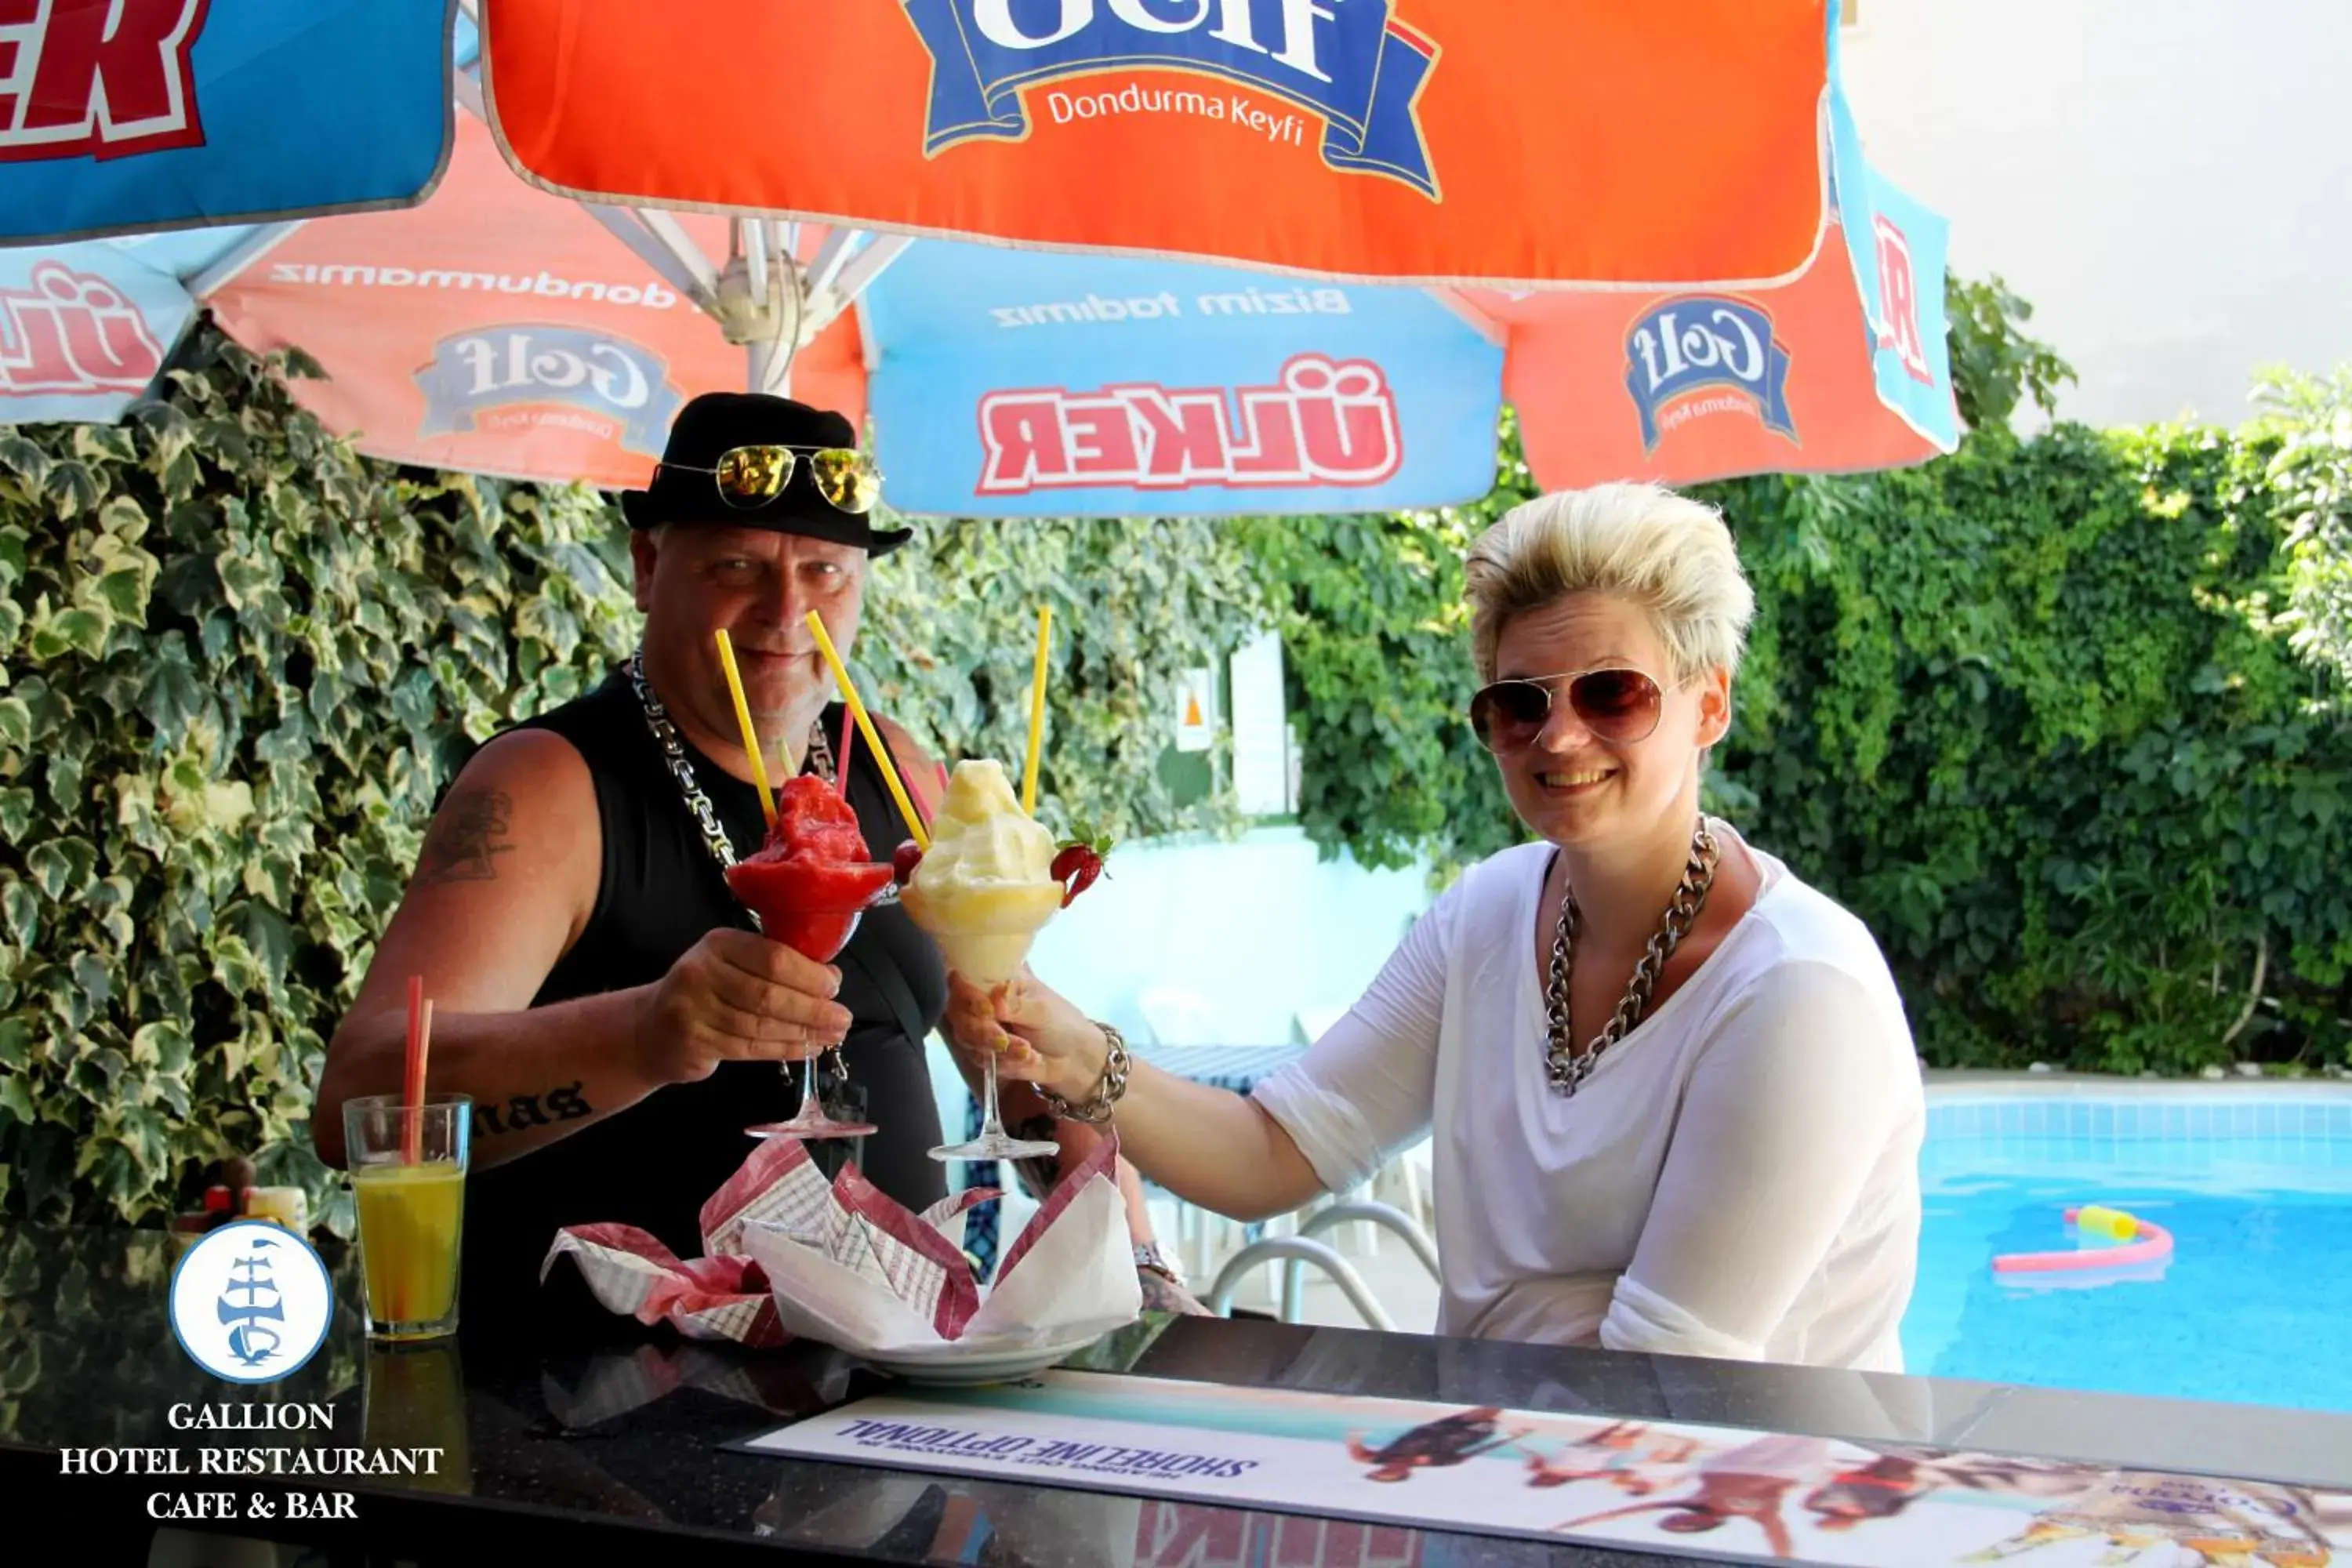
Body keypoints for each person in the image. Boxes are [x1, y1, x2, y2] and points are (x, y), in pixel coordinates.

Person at [946, 482, 1925, 1368]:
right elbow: (1272, 1150)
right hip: (1511, 1473)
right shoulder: (1489, 915)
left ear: (1708, 703)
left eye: (1612, 692)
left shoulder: (1800, 990)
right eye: (1518, 702)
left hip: (1732, 1506)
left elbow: (1660, 1378)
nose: (1560, 736)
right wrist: (1079, 1057)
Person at [314, 392, 1195, 1334]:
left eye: (824, 571)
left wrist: (1139, 1258)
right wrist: (640, 1035)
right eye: (738, 565)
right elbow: (358, 1102)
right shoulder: (546, 786)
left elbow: (1011, 1050)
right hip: (602, 1404)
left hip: (889, 1385)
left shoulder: (896, 766)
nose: (787, 611)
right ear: (648, 565)